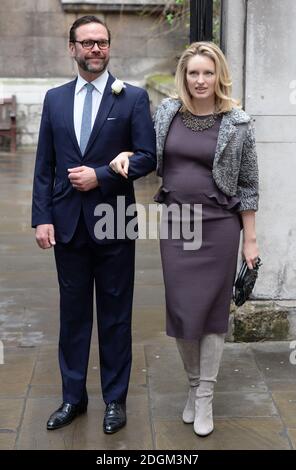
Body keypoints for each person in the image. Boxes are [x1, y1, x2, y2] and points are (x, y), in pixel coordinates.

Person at [109, 42, 259, 437]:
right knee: (181, 309)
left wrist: (251, 241)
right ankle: (193, 385)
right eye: (194, 73)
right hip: (176, 222)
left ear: (219, 74)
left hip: (220, 225)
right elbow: (148, 155)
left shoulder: (238, 121)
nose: (200, 80)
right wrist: (126, 154)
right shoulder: (166, 113)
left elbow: (248, 185)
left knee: (211, 311)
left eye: (208, 72)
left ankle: (205, 394)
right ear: (184, 76)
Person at [31, 15, 156, 434]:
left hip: (114, 220)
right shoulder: (54, 99)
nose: (96, 49)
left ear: (109, 47)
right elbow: (44, 166)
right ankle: (73, 398)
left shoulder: (133, 98)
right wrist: (41, 218)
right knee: (73, 315)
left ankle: (115, 401)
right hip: (66, 224)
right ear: (73, 49)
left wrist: (102, 174)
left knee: (117, 316)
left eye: (102, 42)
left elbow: (147, 157)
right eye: (87, 43)